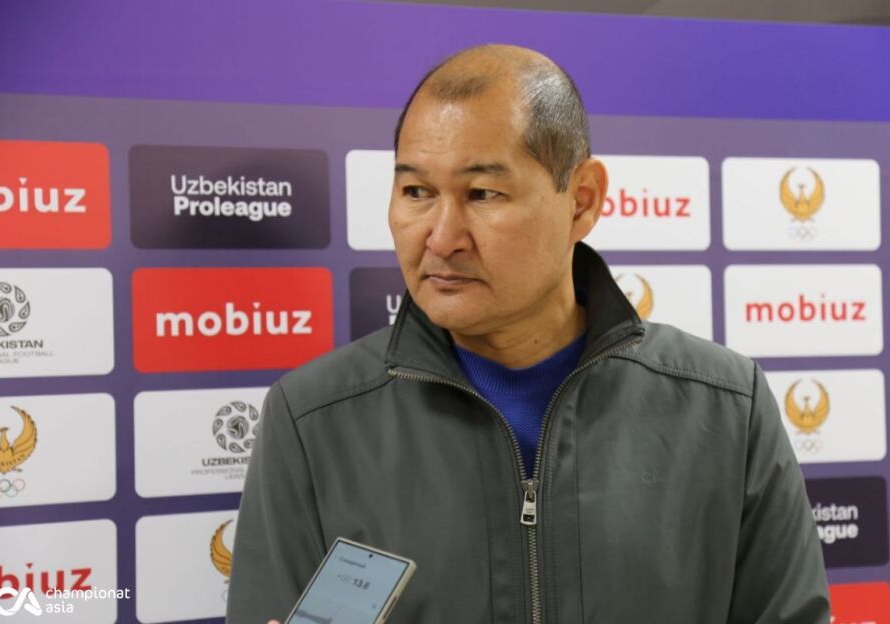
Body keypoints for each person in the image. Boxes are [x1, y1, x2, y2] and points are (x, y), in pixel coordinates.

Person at [226, 43, 830, 623]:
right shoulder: (310, 420)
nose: (441, 237)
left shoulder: (727, 407)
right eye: (416, 192)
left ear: (582, 201)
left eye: (482, 193)